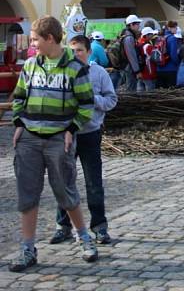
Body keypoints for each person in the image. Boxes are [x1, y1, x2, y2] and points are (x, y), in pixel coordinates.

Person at [9, 16, 98, 272]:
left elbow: (86, 104)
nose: (33, 43)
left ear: (50, 38)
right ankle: (28, 249)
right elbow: (20, 96)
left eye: (36, 39)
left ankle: (84, 238)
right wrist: (18, 123)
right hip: (29, 139)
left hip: (60, 139)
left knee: (65, 191)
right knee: (27, 195)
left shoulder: (75, 67)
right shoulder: (30, 65)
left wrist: (72, 129)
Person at [51, 35, 117, 246]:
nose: (75, 54)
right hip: (66, 134)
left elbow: (111, 100)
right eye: (72, 51)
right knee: (63, 181)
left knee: (93, 182)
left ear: (89, 52)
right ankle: (63, 226)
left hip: (89, 133)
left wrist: (92, 99)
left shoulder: (98, 73)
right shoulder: (63, 72)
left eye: (79, 50)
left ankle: (99, 227)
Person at [156, 21, 182, 88]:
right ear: (170, 28)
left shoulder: (159, 38)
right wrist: (178, 64)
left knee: (162, 93)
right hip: (170, 69)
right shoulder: (172, 38)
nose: (176, 29)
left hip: (159, 69)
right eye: (175, 27)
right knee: (171, 92)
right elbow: (173, 55)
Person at [121, 14, 143, 92]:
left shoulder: (126, 35)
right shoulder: (129, 37)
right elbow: (131, 56)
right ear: (131, 25)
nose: (139, 26)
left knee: (130, 88)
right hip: (130, 68)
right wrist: (137, 71)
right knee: (131, 90)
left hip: (128, 67)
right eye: (137, 24)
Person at [137, 26, 159, 93]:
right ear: (146, 35)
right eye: (151, 34)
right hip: (148, 73)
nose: (152, 36)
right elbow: (156, 58)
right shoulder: (148, 46)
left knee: (140, 93)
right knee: (150, 94)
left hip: (140, 72)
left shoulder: (138, 43)